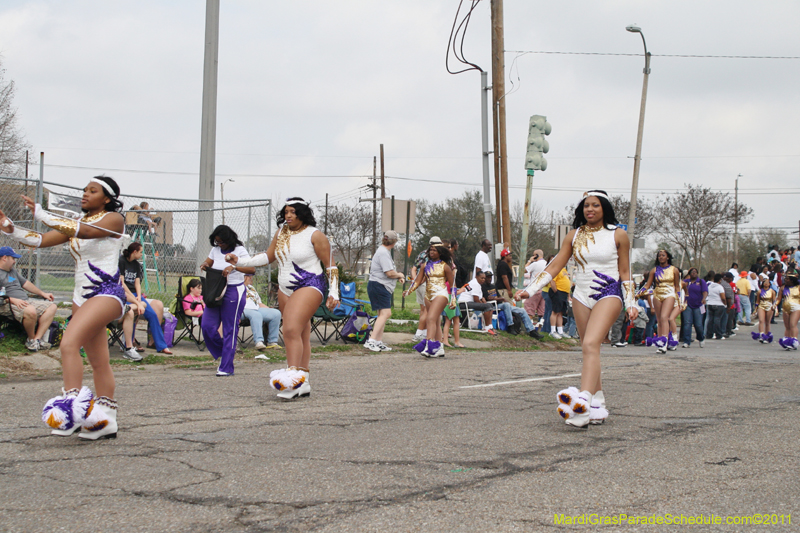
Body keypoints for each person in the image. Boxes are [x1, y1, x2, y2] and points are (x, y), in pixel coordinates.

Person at [1, 176, 128, 439]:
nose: (85, 194)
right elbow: (39, 240)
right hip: (80, 296)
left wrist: (42, 212)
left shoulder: (114, 219)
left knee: (68, 345)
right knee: (98, 361)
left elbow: (88, 232)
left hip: (107, 292)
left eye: (92, 191)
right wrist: (9, 228)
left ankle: (70, 412)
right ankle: (105, 421)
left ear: (107, 198)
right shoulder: (77, 224)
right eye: (84, 190)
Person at [515, 190, 637, 428]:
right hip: (580, 295)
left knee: (592, 343)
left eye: (595, 206)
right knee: (589, 349)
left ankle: (583, 398)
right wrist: (530, 290)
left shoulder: (618, 235)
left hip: (609, 292)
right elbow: (555, 266)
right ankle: (598, 403)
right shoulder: (574, 235)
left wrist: (631, 302)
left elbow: (625, 271)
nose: (590, 210)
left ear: (605, 209)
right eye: (586, 206)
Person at [227, 197, 339, 399]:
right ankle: (302, 381)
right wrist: (239, 261)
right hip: (285, 288)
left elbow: (330, 265)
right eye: (286, 212)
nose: (288, 215)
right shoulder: (280, 233)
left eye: (293, 212)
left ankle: (290, 378)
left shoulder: (315, 235)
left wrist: (334, 292)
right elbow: (268, 257)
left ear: (302, 213)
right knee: (301, 333)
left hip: (309, 284)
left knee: (289, 330)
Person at [199, 225, 254, 377]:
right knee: (207, 326)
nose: (219, 245)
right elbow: (209, 261)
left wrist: (233, 267)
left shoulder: (239, 250)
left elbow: (251, 269)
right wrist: (205, 264)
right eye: (217, 242)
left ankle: (226, 367)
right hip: (215, 291)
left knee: (230, 329)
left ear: (229, 239)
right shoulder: (215, 251)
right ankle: (226, 351)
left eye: (222, 242)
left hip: (233, 291)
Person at [403, 243, 458, 356]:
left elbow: (453, 285)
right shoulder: (425, 265)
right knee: (436, 322)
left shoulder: (445, 266)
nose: (431, 252)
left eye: (434, 250)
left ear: (440, 253)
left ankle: (429, 346)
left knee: (430, 318)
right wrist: (409, 291)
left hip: (441, 294)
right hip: (428, 295)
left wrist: (453, 299)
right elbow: (418, 280)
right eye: (430, 250)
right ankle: (440, 348)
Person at [118, 242, 172, 355]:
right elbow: (122, 283)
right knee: (133, 312)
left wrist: (138, 296)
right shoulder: (122, 261)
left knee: (152, 315)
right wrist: (133, 298)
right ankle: (129, 344)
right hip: (124, 293)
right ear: (134, 252)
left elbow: (137, 283)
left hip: (135, 295)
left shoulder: (137, 265)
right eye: (141, 252)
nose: (142, 254)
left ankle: (161, 346)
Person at [0, 246, 58, 351]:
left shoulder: (12, 271)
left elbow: (26, 284)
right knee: (30, 311)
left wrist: (42, 293)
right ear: (4, 258)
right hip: (7, 304)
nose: (14, 261)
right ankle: (31, 339)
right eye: (13, 258)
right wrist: (12, 299)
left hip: (25, 301)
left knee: (52, 307)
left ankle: (37, 340)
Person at [365, 231, 405, 352]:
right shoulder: (383, 253)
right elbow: (389, 273)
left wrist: (398, 277)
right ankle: (371, 341)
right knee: (386, 314)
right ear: (394, 242)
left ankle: (378, 341)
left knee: (381, 314)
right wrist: (400, 274)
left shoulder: (383, 251)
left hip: (378, 285)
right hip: (379, 286)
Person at [639, 250, 682, 353]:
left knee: (664, 317)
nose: (661, 257)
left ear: (667, 257)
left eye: (663, 255)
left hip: (669, 295)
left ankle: (664, 342)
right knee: (659, 320)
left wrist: (679, 299)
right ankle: (660, 342)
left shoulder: (674, 270)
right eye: (659, 256)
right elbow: (647, 285)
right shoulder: (654, 270)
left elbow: (677, 286)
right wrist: (638, 293)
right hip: (657, 295)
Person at [482, 272, 541, 339]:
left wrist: (500, 298)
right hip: (491, 306)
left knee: (522, 310)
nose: (489, 279)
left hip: (500, 305)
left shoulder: (493, 286)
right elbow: (488, 298)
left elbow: (498, 297)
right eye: (488, 277)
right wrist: (501, 298)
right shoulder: (483, 287)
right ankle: (510, 326)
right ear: (485, 278)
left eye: (490, 277)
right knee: (506, 304)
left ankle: (531, 330)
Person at [410, 237, 440, 342]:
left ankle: (424, 332)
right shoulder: (434, 256)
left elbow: (414, 268)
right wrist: (421, 281)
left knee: (423, 310)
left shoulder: (422, 254)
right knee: (428, 311)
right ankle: (418, 333)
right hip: (426, 284)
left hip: (418, 284)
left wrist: (415, 281)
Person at [242, 275, 282, 350]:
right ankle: (259, 341)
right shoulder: (236, 287)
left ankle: (272, 342)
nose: (250, 278)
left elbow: (259, 303)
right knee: (256, 314)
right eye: (248, 276)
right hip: (242, 310)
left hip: (256, 308)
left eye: (251, 276)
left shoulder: (251, 288)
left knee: (276, 313)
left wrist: (269, 309)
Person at [455, 271, 496, 336]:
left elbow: (478, 297)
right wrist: (483, 304)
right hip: (464, 303)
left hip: (468, 303)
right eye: (481, 278)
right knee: (487, 306)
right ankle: (487, 327)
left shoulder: (476, 283)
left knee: (489, 305)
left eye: (484, 278)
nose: (483, 280)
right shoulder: (475, 284)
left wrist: (482, 300)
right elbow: (476, 299)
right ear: (476, 277)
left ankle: (490, 326)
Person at [680, 268, 707, 348]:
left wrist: (704, 298)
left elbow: (705, 291)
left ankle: (701, 338)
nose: (693, 273)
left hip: (698, 305)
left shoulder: (701, 282)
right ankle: (686, 341)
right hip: (687, 305)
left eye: (695, 272)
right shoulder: (686, 282)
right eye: (692, 272)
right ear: (689, 274)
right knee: (687, 323)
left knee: (698, 324)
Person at [777, 270, 800, 350]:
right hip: (786, 308)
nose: (786, 280)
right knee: (787, 326)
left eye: (787, 279)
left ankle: (794, 340)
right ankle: (787, 341)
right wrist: (774, 305)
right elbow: (779, 299)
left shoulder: (798, 287)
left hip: (796, 308)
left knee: (793, 324)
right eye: (785, 279)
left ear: (792, 280)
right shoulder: (783, 288)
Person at [523, 249, 546, 326]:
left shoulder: (535, 264)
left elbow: (524, 270)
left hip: (535, 289)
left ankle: (529, 326)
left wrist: (530, 261)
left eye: (533, 255)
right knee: (541, 311)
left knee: (529, 308)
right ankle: (541, 327)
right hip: (544, 289)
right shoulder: (546, 263)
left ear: (536, 255)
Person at [548, 266, 571, 339]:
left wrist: (568, 295)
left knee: (560, 312)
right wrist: (556, 292)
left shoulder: (564, 270)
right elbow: (552, 281)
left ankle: (560, 331)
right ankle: (552, 331)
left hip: (564, 293)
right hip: (558, 291)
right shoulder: (557, 269)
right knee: (555, 311)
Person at [752, 278, 777, 344]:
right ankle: (761, 334)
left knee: (767, 322)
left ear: (769, 284)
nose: (766, 283)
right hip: (761, 306)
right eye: (764, 282)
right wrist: (755, 309)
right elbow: (757, 301)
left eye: (767, 282)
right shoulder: (760, 291)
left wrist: (775, 309)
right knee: (761, 320)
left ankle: (767, 335)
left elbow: (774, 301)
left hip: (769, 306)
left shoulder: (772, 291)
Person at [705, 273, 728, 340]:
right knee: (717, 319)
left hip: (710, 304)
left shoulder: (709, 286)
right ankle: (718, 334)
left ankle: (709, 334)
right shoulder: (720, 287)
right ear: (720, 280)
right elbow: (723, 297)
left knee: (710, 320)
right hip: (719, 304)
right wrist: (725, 304)